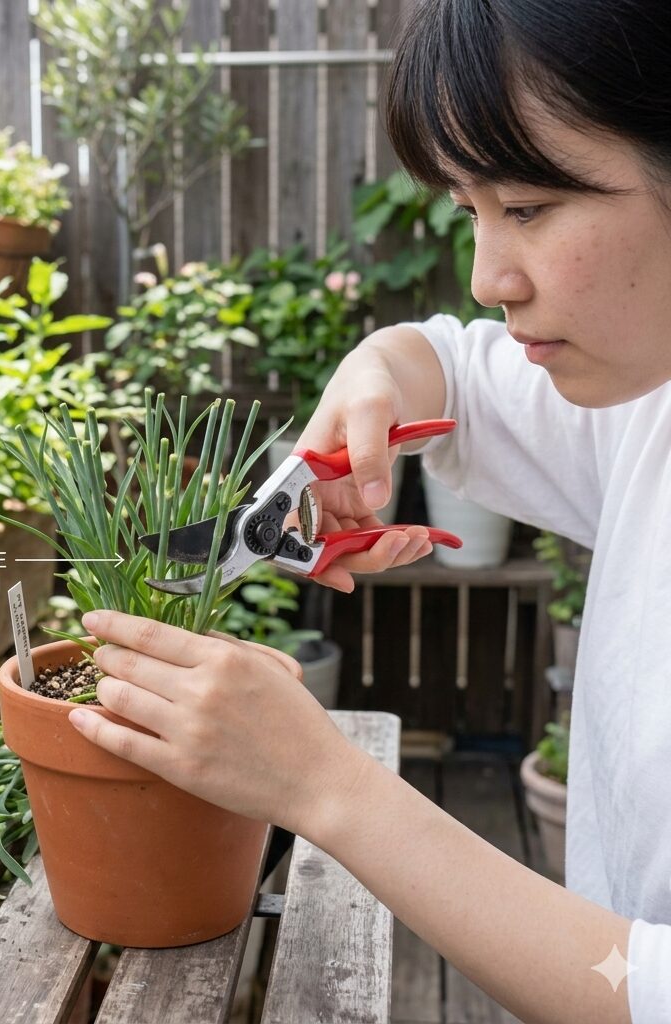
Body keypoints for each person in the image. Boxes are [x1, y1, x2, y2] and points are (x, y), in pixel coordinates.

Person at [66, 0, 671, 1020]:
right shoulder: (643, 385)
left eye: (524, 207)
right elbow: (455, 371)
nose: (488, 278)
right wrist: (376, 368)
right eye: (466, 210)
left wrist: (324, 787)